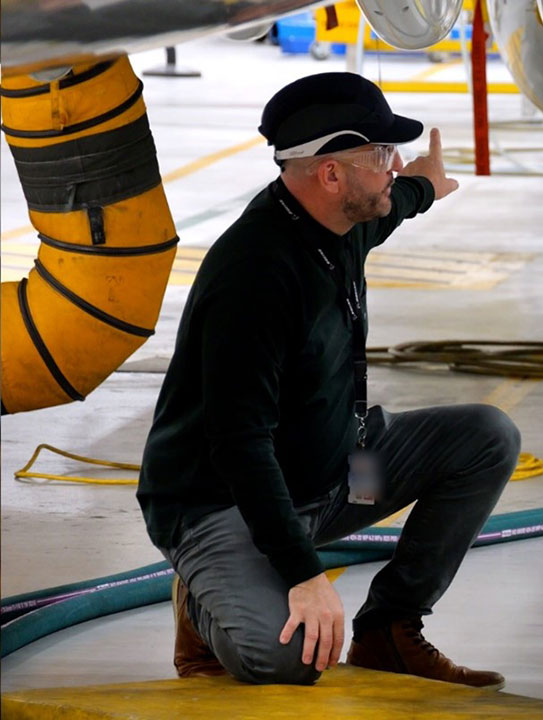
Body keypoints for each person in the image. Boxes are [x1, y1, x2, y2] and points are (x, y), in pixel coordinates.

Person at [137, 72, 521, 687]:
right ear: (331, 174)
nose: (394, 168)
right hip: (225, 501)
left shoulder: (342, 222)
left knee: (486, 437)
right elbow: (239, 443)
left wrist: (426, 183)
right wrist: (303, 573)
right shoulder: (256, 275)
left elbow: (396, 203)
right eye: (382, 155)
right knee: (288, 658)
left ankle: (388, 629)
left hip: (333, 475)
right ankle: (201, 603)